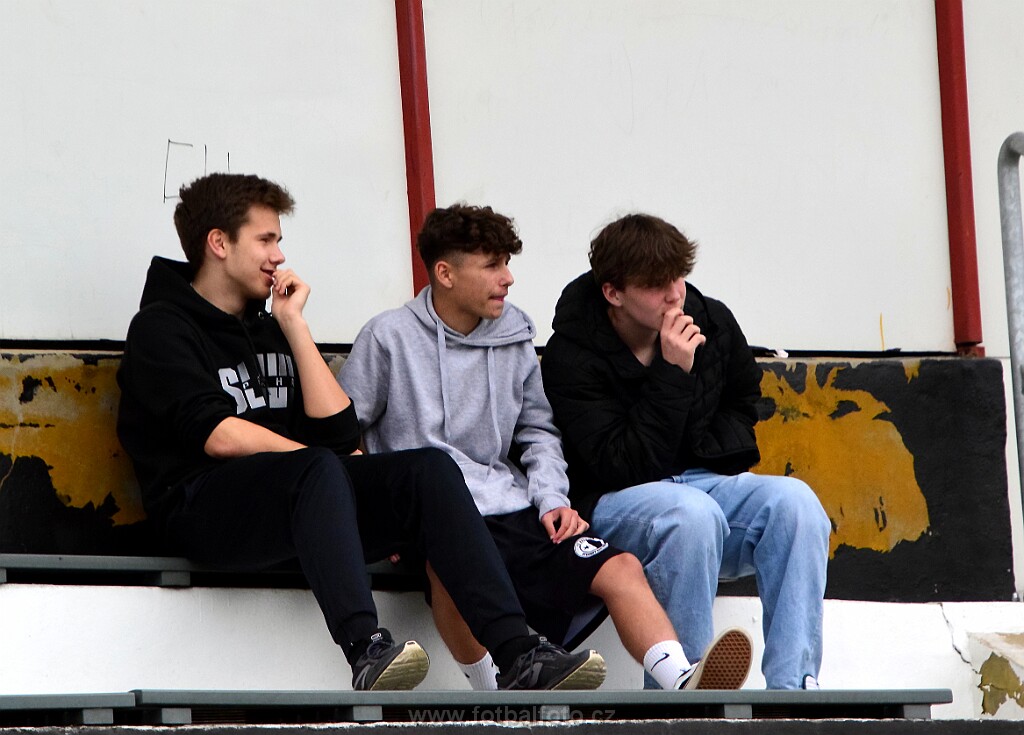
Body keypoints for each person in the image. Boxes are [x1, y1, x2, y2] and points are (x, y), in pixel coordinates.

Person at [116, 173, 608, 692]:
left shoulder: (268, 328)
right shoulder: (161, 327)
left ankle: (519, 654)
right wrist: (321, 461)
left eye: (278, 241)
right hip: (203, 510)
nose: (278, 256)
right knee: (317, 468)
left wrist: (294, 326)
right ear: (219, 243)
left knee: (427, 469)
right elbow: (218, 436)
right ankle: (366, 649)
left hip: (297, 503)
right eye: (266, 239)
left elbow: (337, 433)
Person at [338, 204, 753, 691]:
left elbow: (538, 432)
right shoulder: (388, 337)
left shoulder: (514, 334)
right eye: (492, 265)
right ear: (445, 274)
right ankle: (492, 694)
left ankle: (679, 679)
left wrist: (553, 499)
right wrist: (381, 518)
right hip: (433, 514)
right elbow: (343, 432)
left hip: (511, 504)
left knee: (619, 567)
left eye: (506, 262)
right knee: (448, 566)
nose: (508, 278)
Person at [540, 213, 832, 690]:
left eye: (678, 276)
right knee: (690, 514)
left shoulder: (711, 320)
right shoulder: (572, 354)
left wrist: (708, 453)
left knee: (796, 505)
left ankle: (794, 687)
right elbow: (617, 464)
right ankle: (684, 691)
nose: (675, 294)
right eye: (656, 285)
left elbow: (743, 401)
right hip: (612, 504)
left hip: (702, 487)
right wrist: (673, 373)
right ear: (614, 293)